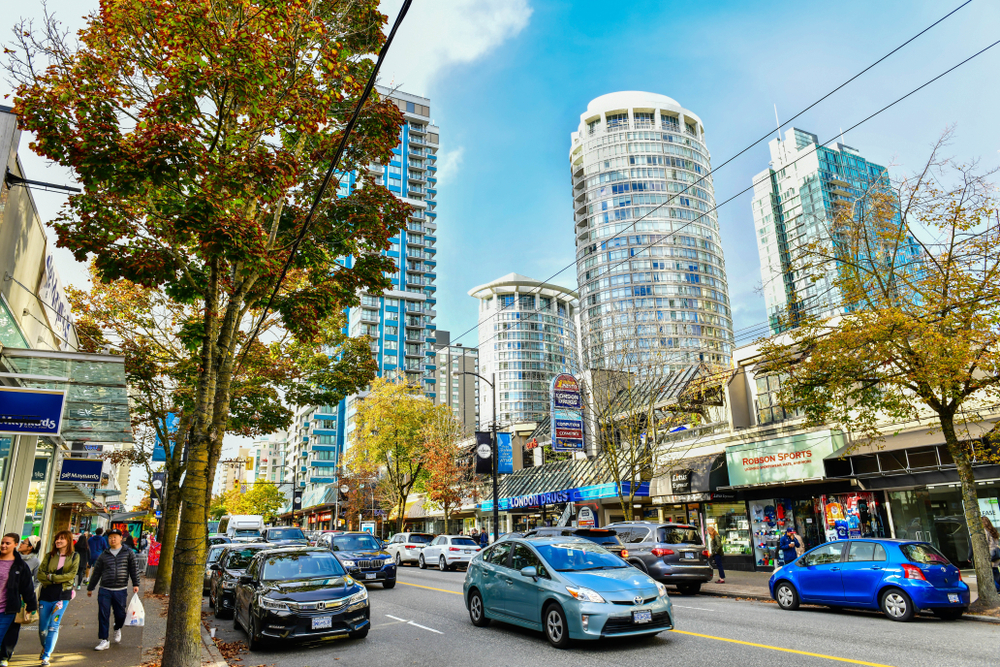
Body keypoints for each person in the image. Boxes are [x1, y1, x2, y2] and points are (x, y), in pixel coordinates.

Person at [86, 529, 139, 651]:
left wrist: (136, 583)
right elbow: (96, 573)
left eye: (115, 537)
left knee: (120, 614)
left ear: (121, 538)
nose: (112, 539)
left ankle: (117, 627)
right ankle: (104, 640)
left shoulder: (128, 553)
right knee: (103, 615)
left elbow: (133, 569)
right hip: (105, 590)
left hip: (120, 590)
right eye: (110, 537)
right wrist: (90, 587)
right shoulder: (104, 555)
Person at [36, 531, 80, 666]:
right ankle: (45, 647)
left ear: (68, 540)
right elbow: (40, 574)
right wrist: (52, 580)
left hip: (62, 595)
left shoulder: (74, 556)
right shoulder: (49, 556)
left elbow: (71, 575)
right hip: (46, 594)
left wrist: (52, 578)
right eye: (57, 539)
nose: (58, 541)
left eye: (62, 539)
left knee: (53, 626)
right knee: (42, 627)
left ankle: (46, 656)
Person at [0, 534, 38, 667]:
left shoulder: (20, 566)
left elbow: (27, 587)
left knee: (4, 636)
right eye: (2, 542)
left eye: (7, 543)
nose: (4, 545)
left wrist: (31, 606)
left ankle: (4, 657)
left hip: (7, 608)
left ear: (15, 544)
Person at [983, 516, 1000, 593]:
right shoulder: (993, 530)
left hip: (991, 553)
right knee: (995, 571)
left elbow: (986, 542)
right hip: (997, 552)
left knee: (991, 572)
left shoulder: (985, 531)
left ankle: (997, 588)